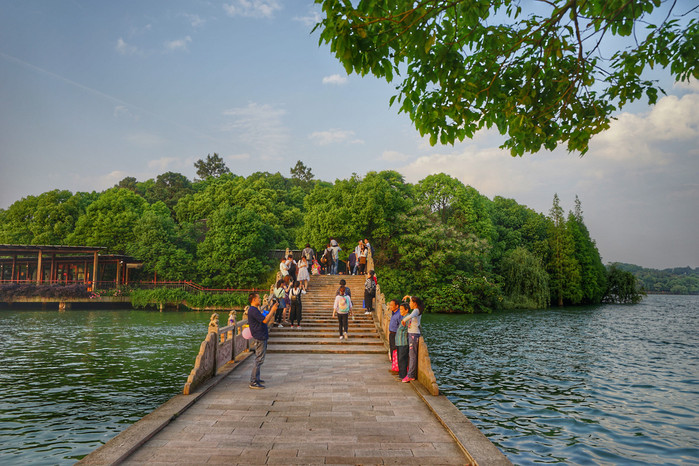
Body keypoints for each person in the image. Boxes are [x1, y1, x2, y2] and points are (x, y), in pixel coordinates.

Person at [247, 292, 279, 389]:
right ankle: (253, 381)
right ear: (254, 300)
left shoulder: (255, 310)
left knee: (260, 358)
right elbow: (265, 320)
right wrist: (272, 310)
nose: (260, 300)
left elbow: (264, 319)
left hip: (261, 335)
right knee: (259, 359)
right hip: (259, 336)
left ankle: (256, 378)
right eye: (259, 298)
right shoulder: (253, 310)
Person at [401, 295, 424, 383]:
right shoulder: (416, 308)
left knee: (412, 356)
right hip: (412, 333)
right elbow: (413, 299)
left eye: (410, 302)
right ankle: (410, 374)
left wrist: (404, 320)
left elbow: (411, 315)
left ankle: (410, 375)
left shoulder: (416, 310)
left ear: (414, 304)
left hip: (414, 334)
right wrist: (408, 296)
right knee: (411, 355)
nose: (409, 304)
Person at [395, 302, 411, 380]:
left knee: (402, 359)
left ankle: (403, 376)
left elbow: (409, 328)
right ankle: (401, 375)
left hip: (403, 342)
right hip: (399, 342)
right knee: (400, 359)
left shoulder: (408, 318)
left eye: (401, 309)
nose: (400, 311)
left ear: (406, 310)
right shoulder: (403, 317)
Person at [387, 299, 401, 373]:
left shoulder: (399, 314)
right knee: (392, 348)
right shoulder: (393, 313)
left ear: (397, 306)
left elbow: (400, 325)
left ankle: (397, 366)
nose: (390, 306)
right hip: (391, 333)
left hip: (396, 334)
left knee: (395, 349)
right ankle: (394, 365)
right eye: (390, 305)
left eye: (392, 305)